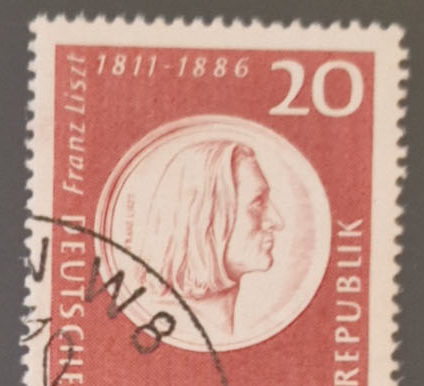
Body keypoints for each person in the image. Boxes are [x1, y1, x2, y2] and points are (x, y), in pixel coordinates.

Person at [97, 118, 320, 353]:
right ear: (206, 219)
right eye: (257, 204)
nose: (276, 221)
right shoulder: (169, 321)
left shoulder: (207, 326)